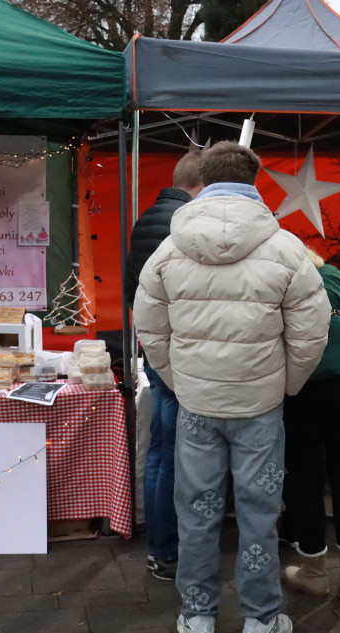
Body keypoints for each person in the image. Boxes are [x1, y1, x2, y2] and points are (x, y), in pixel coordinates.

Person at [133, 141, 330, 633]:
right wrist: (283, 384)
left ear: (202, 178)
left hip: (197, 404)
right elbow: (312, 331)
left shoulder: (168, 250)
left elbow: (148, 326)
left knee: (196, 509)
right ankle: (260, 623)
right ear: (254, 179)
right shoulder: (286, 247)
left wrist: (179, 380)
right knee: (258, 512)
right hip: (260, 407)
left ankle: (197, 617)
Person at [124, 151, 204, 582]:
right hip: (176, 350)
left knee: (160, 449)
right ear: (202, 186)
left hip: (154, 345)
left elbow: (132, 291)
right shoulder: (183, 224)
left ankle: (161, 547)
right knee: (173, 451)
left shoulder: (147, 218)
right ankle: (168, 550)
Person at [280, 248, 340, 600]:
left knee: (305, 477)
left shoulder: (280, 278)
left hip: (302, 382)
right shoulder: (334, 275)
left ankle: (313, 572)